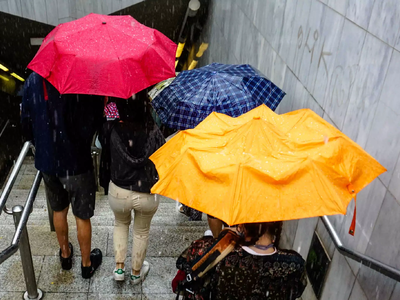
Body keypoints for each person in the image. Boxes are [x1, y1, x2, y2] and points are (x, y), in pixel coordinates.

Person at [21, 72, 104, 278]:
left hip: (48, 160)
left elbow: (25, 120)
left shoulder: (33, 80)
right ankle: (86, 264)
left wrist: (39, 140)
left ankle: (65, 255)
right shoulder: (82, 77)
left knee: (58, 209)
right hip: (77, 161)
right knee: (82, 215)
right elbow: (94, 118)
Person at [99, 94, 165, 283]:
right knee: (141, 231)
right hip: (146, 192)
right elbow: (164, 153)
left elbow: (101, 146)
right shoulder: (153, 128)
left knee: (120, 224)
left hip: (119, 190)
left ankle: (119, 270)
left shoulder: (112, 129)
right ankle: (136, 273)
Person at [176, 221, 307, 299]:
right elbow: (296, 291)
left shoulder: (215, 254)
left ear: (243, 223)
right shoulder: (294, 265)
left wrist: (227, 238)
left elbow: (183, 261)